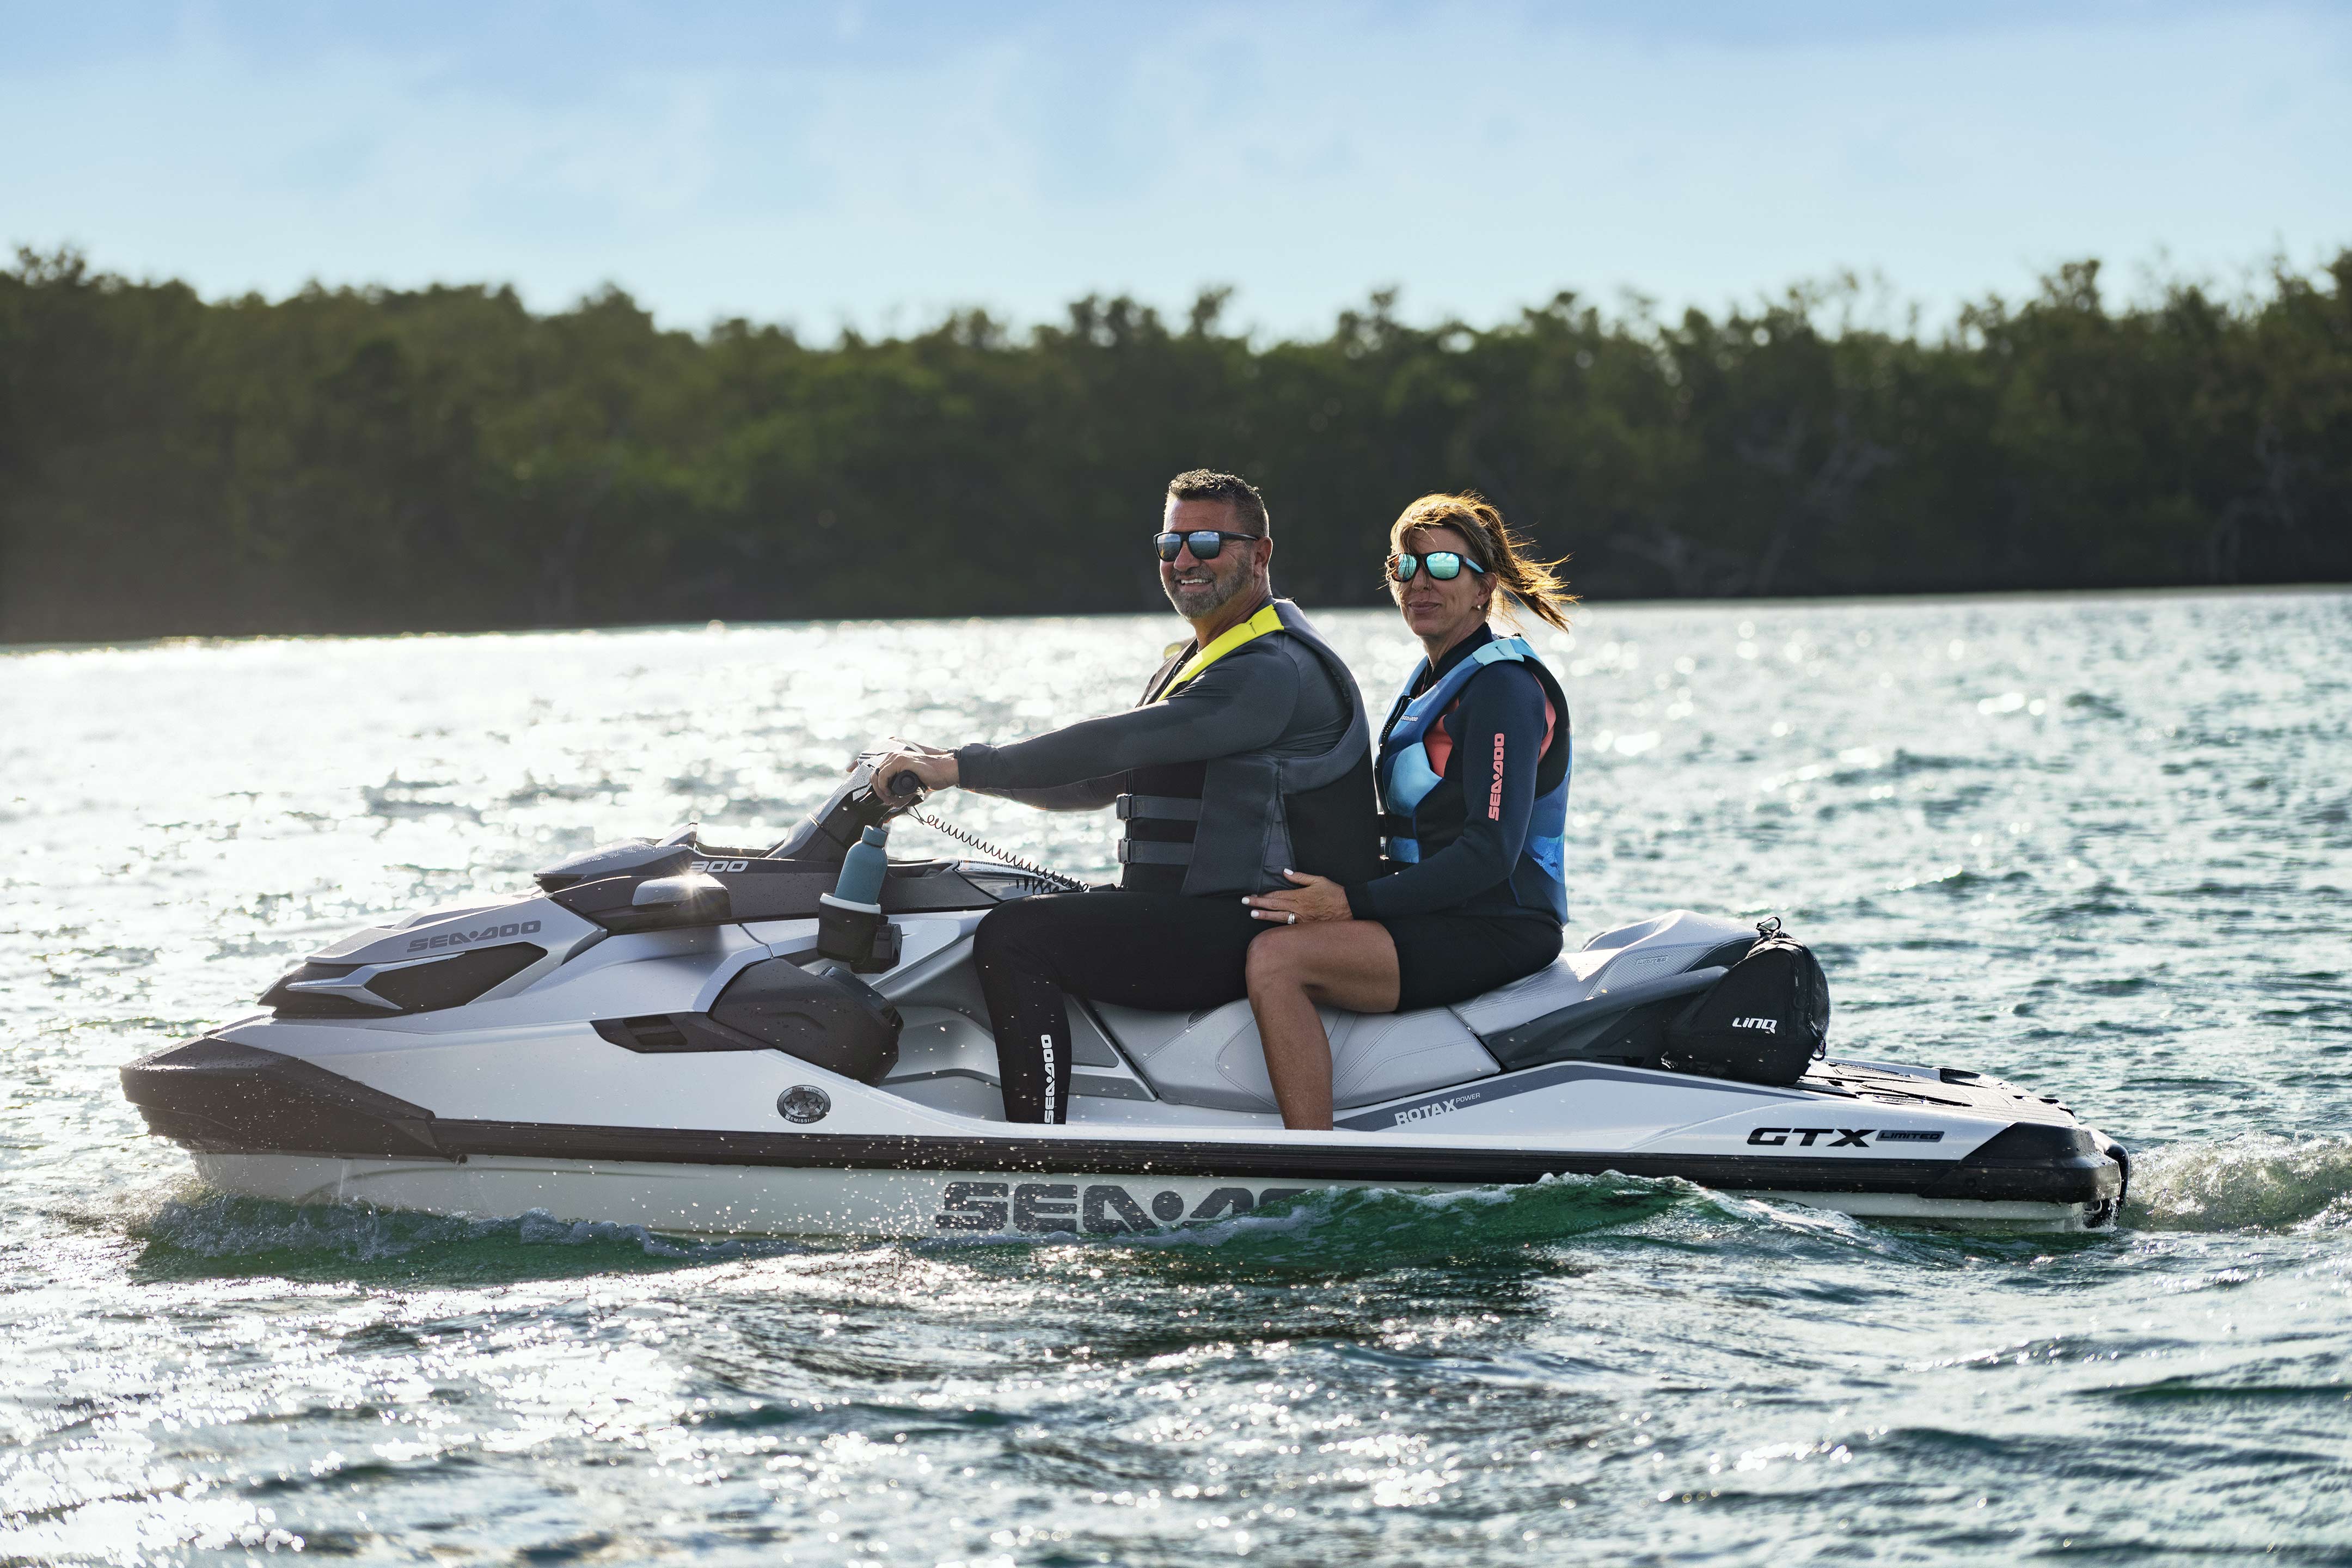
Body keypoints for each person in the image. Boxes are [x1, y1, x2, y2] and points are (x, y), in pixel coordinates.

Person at [866, 470, 1380, 1124]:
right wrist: (953, 776)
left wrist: (960, 766)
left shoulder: (1271, 670)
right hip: (1190, 914)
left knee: (1016, 937)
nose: (1185, 561)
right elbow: (1095, 783)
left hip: (1246, 922)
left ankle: (1040, 1145)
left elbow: (1110, 745)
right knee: (986, 902)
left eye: (1208, 544)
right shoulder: (1199, 661)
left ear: (1261, 553)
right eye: (1171, 546)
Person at [1239, 493, 1575, 1129]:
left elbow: (1490, 852)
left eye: (1444, 567)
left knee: (1277, 961)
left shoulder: (1503, 688)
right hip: (1437, 911)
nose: (1421, 583)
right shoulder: (1431, 680)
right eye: (1406, 567)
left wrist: (1349, 903)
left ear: (1485, 587)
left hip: (1499, 924)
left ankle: (1312, 1157)